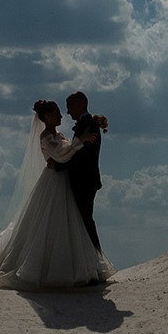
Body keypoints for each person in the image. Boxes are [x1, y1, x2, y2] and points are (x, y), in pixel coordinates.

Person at [0, 100, 113, 290]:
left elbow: (66, 155)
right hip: (53, 182)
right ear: (47, 116)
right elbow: (62, 155)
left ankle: (81, 267)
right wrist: (80, 140)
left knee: (69, 224)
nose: (61, 115)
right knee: (50, 223)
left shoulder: (59, 135)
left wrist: (79, 141)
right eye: (57, 112)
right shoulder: (46, 137)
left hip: (62, 181)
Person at [64, 90, 108, 252]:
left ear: (80, 105)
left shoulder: (88, 125)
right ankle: (91, 259)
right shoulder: (86, 124)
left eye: (69, 107)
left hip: (85, 181)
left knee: (85, 220)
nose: (67, 112)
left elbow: (81, 155)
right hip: (84, 181)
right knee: (82, 219)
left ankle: (96, 258)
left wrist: (60, 165)